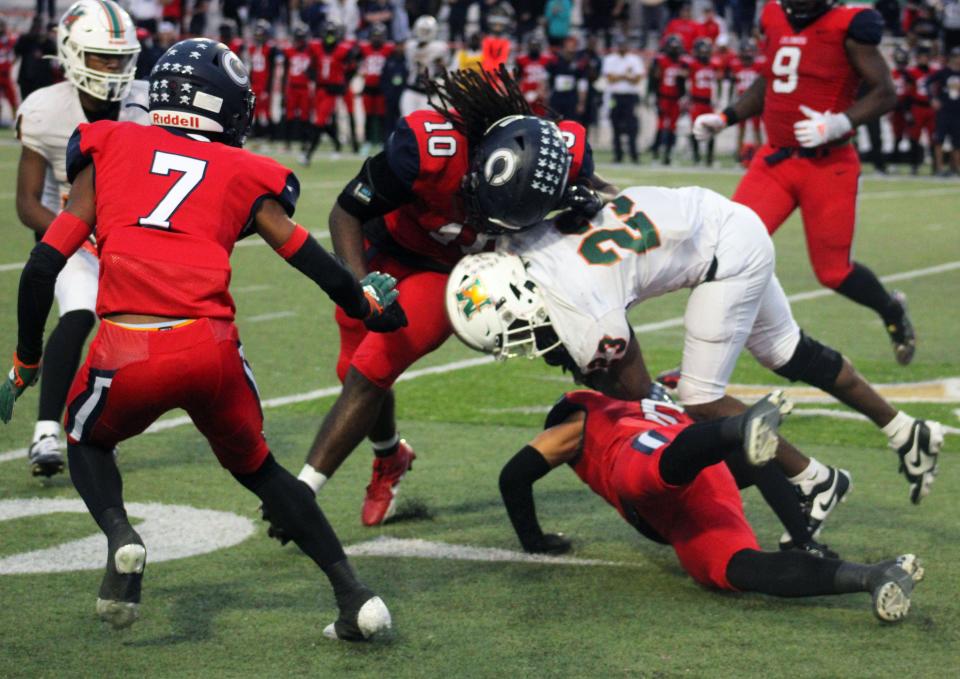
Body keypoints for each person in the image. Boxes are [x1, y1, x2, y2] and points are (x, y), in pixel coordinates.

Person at [1, 38, 398, 641]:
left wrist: (27, 358)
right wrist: (363, 305)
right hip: (212, 349)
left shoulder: (109, 143)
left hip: (128, 346)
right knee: (264, 471)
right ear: (226, 107)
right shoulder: (245, 169)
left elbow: (40, 268)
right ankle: (355, 595)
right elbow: (309, 259)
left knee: (83, 441)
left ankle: (120, 536)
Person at [447, 186, 944, 544]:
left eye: (518, 331)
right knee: (786, 351)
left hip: (724, 255)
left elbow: (636, 387)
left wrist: (578, 361)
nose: (525, 343)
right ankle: (903, 429)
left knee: (701, 398)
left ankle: (815, 480)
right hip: (718, 213)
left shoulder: (587, 318)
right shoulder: (518, 241)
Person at [280, 67, 616, 529]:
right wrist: (362, 292)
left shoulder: (564, 154)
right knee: (352, 367)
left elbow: (607, 198)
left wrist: (594, 206)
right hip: (386, 247)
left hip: (453, 272)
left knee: (373, 367)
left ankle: (302, 496)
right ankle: (390, 456)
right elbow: (346, 212)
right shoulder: (428, 147)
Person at [498, 388, 925, 623]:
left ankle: (737, 426)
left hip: (652, 464)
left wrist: (534, 541)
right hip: (705, 480)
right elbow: (757, 463)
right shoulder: (657, 400)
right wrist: (802, 534)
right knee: (733, 569)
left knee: (639, 473)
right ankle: (870, 576)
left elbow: (513, 477)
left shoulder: (583, 419)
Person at [693, 0, 918, 366]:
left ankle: (891, 310)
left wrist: (839, 123)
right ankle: (707, 358)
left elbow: (885, 92)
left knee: (833, 272)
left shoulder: (849, 25)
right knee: (726, 252)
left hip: (827, 166)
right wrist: (726, 116)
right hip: (775, 161)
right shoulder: (773, 14)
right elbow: (771, 80)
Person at [14, 0, 145, 478]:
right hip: (72, 236)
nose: (113, 68)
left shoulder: (149, 103)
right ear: (72, 54)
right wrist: (75, 236)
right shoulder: (47, 109)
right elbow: (28, 202)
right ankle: (47, 429)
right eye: (101, 57)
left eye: (119, 57)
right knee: (80, 309)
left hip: (134, 239)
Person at [601, 35, 644, 163]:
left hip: (630, 97)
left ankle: (634, 155)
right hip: (616, 96)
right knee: (616, 125)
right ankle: (618, 155)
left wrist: (619, 76)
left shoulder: (634, 59)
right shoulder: (610, 59)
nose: (622, 47)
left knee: (632, 127)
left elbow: (637, 80)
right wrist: (626, 76)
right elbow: (610, 78)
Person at [649, 34, 687, 164]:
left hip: (675, 98)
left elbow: (684, 82)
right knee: (661, 124)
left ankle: (667, 154)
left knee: (672, 126)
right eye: (673, 48)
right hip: (664, 97)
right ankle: (657, 150)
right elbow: (655, 78)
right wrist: (654, 95)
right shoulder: (661, 60)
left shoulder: (683, 62)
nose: (675, 50)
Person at [399, 15, 446, 115]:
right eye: (422, 30)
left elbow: (442, 69)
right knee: (407, 121)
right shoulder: (410, 46)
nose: (423, 33)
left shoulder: (439, 48)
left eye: (426, 31)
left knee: (425, 124)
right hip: (411, 89)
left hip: (429, 93)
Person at [358, 23, 395, 149]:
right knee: (368, 116)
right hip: (368, 86)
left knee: (381, 116)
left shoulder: (389, 49)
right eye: (375, 36)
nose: (377, 39)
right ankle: (367, 141)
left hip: (382, 86)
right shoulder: (364, 48)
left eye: (379, 36)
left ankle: (381, 141)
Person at [907, 43, 941, 174]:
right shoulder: (912, 72)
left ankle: (935, 165)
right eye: (921, 57)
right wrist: (908, 109)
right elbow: (909, 92)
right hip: (917, 106)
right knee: (914, 136)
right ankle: (914, 164)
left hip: (931, 108)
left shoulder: (935, 72)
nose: (924, 59)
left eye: (926, 56)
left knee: (934, 137)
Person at [281, 26, 315, 153]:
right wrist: (284, 90)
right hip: (292, 88)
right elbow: (285, 72)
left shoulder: (311, 52)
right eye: (298, 38)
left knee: (305, 117)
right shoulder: (289, 51)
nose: (300, 41)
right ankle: (287, 142)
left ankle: (304, 142)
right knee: (289, 116)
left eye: (301, 38)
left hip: (305, 88)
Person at [729, 39, 765, 159]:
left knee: (756, 128)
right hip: (742, 101)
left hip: (754, 102)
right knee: (741, 128)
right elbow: (732, 84)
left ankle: (759, 153)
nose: (748, 55)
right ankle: (739, 153)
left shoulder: (759, 65)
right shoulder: (735, 65)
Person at [928, 46, 960, 175]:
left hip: (958, 112)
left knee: (957, 141)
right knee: (939, 140)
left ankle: (955, 167)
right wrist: (932, 99)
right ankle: (939, 167)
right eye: (956, 57)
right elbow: (926, 83)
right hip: (944, 111)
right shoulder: (943, 72)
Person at [687, 38, 718, 166]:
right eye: (702, 51)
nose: (704, 54)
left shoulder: (714, 65)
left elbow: (717, 83)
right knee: (695, 129)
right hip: (696, 101)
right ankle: (696, 157)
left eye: (706, 52)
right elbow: (686, 80)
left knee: (711, 130)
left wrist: (717, 99)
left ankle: (709, 158)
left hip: (708, 102)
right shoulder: (692, 65)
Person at [546, 36, 586, 121]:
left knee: (570, 122)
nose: (571, 49)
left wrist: (581, 102)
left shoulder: (579, 63)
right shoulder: (555, 60)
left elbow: (582, 84)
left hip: (571, 97)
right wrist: (545, 94)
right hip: (557, 96)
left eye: (573, 46)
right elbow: (546, 78)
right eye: (569, 46)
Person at [0, 19, 18, 123]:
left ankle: (14, 119)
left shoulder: (10, 40)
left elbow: (15, 54)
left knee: (12, 98)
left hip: (6, 74)